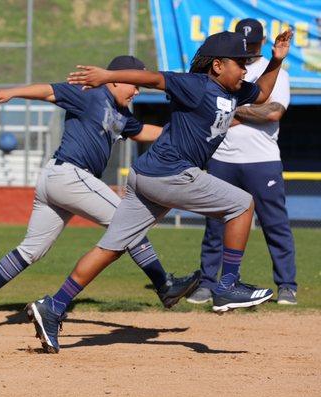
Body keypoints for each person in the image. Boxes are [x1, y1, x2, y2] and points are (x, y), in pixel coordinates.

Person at [26, 29, 293, 353]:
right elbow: (152, 78)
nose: (244, 67)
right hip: (170, 173)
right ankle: (227, 285)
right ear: (218, 65)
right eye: (239, 62)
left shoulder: (235, 91)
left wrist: (276, 61)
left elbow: (263, 94)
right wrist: (109, 75)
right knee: (242, 204)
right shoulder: (197, 86)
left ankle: (53, 306)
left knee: (112, 247)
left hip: (146, 176)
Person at [0, 55, 200, 330]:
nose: (136, 90)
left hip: (58, 178)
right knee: (128, 222)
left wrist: (182, 136)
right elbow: (49, 91)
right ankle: (164, 284)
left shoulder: (121, 113)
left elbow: (143, 131)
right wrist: (12, 92)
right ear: (116, 79)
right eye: (133, 84)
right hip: (70, 175)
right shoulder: (91, 93)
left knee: (32, 249)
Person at [187, 19, 296, 306]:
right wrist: (248, 109)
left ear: (262, 43)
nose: (247, 46)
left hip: (262, 159)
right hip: (223, 157)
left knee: (275, 224)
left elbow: (273, 112)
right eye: (242, 41)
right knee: (215, 224)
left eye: (253, 42)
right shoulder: (228, 66)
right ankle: (209, 284)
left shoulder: (273, 72)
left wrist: (236, 108)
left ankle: (286, 285)